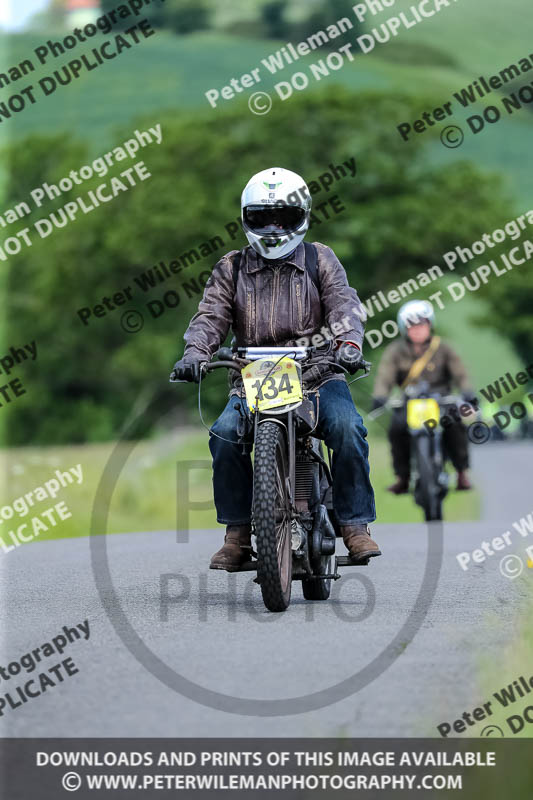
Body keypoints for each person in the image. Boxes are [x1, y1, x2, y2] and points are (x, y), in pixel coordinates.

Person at [173, 166, 381, 571]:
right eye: (262, 218)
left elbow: (344, 304)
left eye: (283, 218)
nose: (273, 228)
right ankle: (237, 534)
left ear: (301, 216)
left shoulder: (320, 258)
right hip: (251, 376)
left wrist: (349, 344)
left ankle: (355, 525)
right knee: (224, 434)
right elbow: (210, 317)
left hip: (318, 373)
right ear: (246, 218)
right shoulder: (231, 267)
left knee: (348, 427)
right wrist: (195, 354)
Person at [372, 299, 476, 494]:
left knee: (455, 423)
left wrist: (467, 392)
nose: (417, 329)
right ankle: (402, 477)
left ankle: (462, 472)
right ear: (404, 328)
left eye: (422, 324)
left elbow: (460, 374)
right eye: (412, 325)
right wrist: (380, 396)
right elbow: (385, 377)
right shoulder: (395, 351)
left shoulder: (444, 348)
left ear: (430, 325)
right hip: (409, 400)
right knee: (396, 428)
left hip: (441, 399)